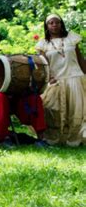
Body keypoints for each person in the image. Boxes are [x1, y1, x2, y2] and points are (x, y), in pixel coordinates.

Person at [0, 35, 48, 147]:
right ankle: (1, 138)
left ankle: (41, 138)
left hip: (11, 98)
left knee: (33, 98)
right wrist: (1, 74)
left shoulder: (4, 62)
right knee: (0, 97)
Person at [35, 14, 86, 146]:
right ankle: (57, 138)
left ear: (61, 24)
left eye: (57, 22)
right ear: (47, 26)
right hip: (57, 80)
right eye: (51, 23)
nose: (54, 25)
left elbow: (80, 59)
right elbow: (43, 65)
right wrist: (48, 78)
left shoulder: (71, 38)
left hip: (75, 76)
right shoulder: (43, 44)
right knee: (54, 110)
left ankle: (76, 139)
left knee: (77, 110)